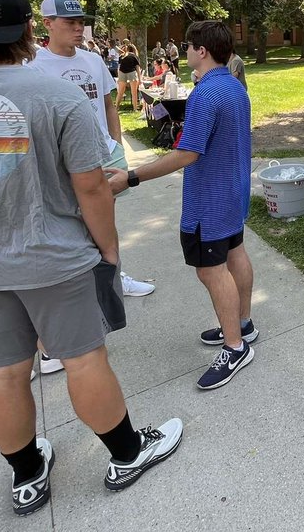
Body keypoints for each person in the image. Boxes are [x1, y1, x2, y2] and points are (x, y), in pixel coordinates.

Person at [0, 0, 183, 517]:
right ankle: (127, 454)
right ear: (29, 29)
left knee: (3, 373)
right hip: (56, 257)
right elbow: (92, 186)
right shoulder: (55, 96)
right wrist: (109, 251)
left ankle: (27, 474)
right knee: (83, 359)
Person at [107, 20, 257, 391]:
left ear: (201, 50)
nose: (185, 51)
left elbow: (187, 153)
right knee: (235, 253)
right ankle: (242, 324)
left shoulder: (206, 94)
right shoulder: (235, 87)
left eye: (188, 46)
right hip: (233, 191)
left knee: (210, 270)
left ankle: (235, 347)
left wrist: (131, 177)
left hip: (210, 200)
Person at [29, 0, 155, 301]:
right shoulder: (34, 67)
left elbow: (108, 105)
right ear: (48, 24)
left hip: (103, 153)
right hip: (62, 160)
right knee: (71, 223)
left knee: (106, 219)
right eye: (70, 23)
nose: (78, 29)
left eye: (80, 22)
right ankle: (81, 286)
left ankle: (114, 278)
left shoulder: (93, 60)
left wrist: (117, 144)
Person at [116, 43, 141, 110]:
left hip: (122, 72)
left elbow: (119, 68)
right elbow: (138, 68)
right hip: (131, 72)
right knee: (134, 92)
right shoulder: (135, 56)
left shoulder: (122, 56)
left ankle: (117, 107)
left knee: (120, 91)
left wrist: (118, 77)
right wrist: (140, 79)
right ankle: (135, 108)